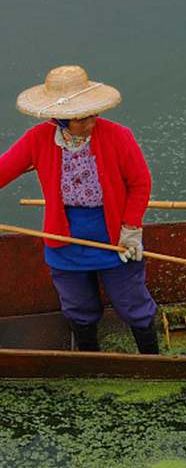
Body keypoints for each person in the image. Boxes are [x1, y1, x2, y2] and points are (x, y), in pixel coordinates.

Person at [0, 65, 159, 354]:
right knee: (78, 305)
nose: (90, 121)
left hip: (114, 235)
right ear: (61, 119)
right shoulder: (39, 139)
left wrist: (131, 228)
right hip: (64, 237)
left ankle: (152, 358)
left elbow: (140, 184)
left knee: (132, 302)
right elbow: (4, 170)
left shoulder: (118, 136)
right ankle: (89, 358)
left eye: (92, 114)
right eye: (81, 118)